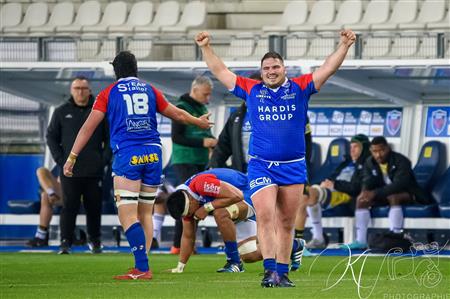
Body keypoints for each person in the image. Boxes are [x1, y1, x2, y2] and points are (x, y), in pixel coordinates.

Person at [195, 29, 356, 287]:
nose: (271, 71)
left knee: (286, 222)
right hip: (261, 166)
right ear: (261, 71)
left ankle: (282, 272)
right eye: (266, 67)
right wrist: (206, 48)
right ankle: (269, 271)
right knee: (266, 215)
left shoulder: (301, 88)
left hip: (293, 167)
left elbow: (328, 68)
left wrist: (344, 46)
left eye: (275, 67)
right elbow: (221, 72)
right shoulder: (251, 89)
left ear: (284, 69)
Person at [63, 51, 212, 280]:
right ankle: (143, 264)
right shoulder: (150, 89)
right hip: (154, 154)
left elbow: (87, 128)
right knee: (145, 213)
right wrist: (197, 122)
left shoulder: (108, 93)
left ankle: (142, 268)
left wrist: (72, 157)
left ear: (116, 70)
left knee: (127, 214)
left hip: (129, 154)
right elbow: (177, 114)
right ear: (136, 68)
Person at [208, 72, 312, 272]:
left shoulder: (291, 108)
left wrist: (304, 178)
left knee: (274, 220)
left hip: (283, 172)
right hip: (248, 176)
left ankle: (269, 265)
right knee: (251, 248)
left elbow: (304, 145)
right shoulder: (237, 116)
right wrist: (213, 167)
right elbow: (223, 146)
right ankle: (243, 260)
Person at [47, 76, 111, 254]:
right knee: (69, 206)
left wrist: (103, 160)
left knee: (94, 206)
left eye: (84, 88)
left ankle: (95, 241)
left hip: (94, 170)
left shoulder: (100, 111)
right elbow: (51, 137)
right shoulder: (61, 112)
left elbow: (110, 138)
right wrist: (61, 160)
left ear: (89, 90)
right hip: (70, 170)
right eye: (77, 88)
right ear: (71, 90)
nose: (80, 92)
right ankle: (65, 242)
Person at [165, 168, 259, 273]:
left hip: (248, 192)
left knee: (220, 213)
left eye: (190, 213)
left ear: (191, 201)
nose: (190, 216)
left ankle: (234, 262)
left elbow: (237, 195)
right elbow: (188, 236)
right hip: (236, 204)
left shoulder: (200, 184)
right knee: (249, 255)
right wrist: (180, 267)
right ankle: (279, 249)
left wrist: (206, 207)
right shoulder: (186, 201)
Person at [343, 136, 430, 250]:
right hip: (383, 195)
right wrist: (365, 192)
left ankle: (396, 236)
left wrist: (374, 193)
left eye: (381, 150)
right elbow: (366, 180)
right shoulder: (369, 162)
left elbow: (400, 184)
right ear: (371, 151)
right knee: (361, 200)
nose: (378, 155)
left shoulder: (401, 161)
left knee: (393, 197)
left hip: (409, 194)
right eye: (375, 151)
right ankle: (361, 240)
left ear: (388, 148)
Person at [170, 76, 217, 254]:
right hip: (184, 160)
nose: (208, 98)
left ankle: (188, 245)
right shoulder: (182, 108)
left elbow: (207, 135)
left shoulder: (202, 108)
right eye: (205, 94)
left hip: (200, 161)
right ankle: (178, 245)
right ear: (195, 90)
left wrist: (212, 142)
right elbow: (177, 137)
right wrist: (204, 142)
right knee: (187, 202)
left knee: (196, 203)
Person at [303, 134, 370, 249]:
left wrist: (335, 184)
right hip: (332, 191)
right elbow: (332, 177)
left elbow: (357, 187)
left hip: (345, 195)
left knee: (311, 193)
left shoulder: (366, 164)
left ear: (363, 148)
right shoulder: (345, 163)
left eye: (356, 147)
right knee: (306, 194)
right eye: (350, 147)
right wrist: (325, 183)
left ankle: (318, 238)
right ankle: (317, 237)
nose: (352, 150)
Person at [26, 166, 63, 247]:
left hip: (78, 191)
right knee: (41, 171)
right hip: (62, 193)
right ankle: (40, 237)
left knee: (65, 176)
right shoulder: (62, 159)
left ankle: (41, 236)